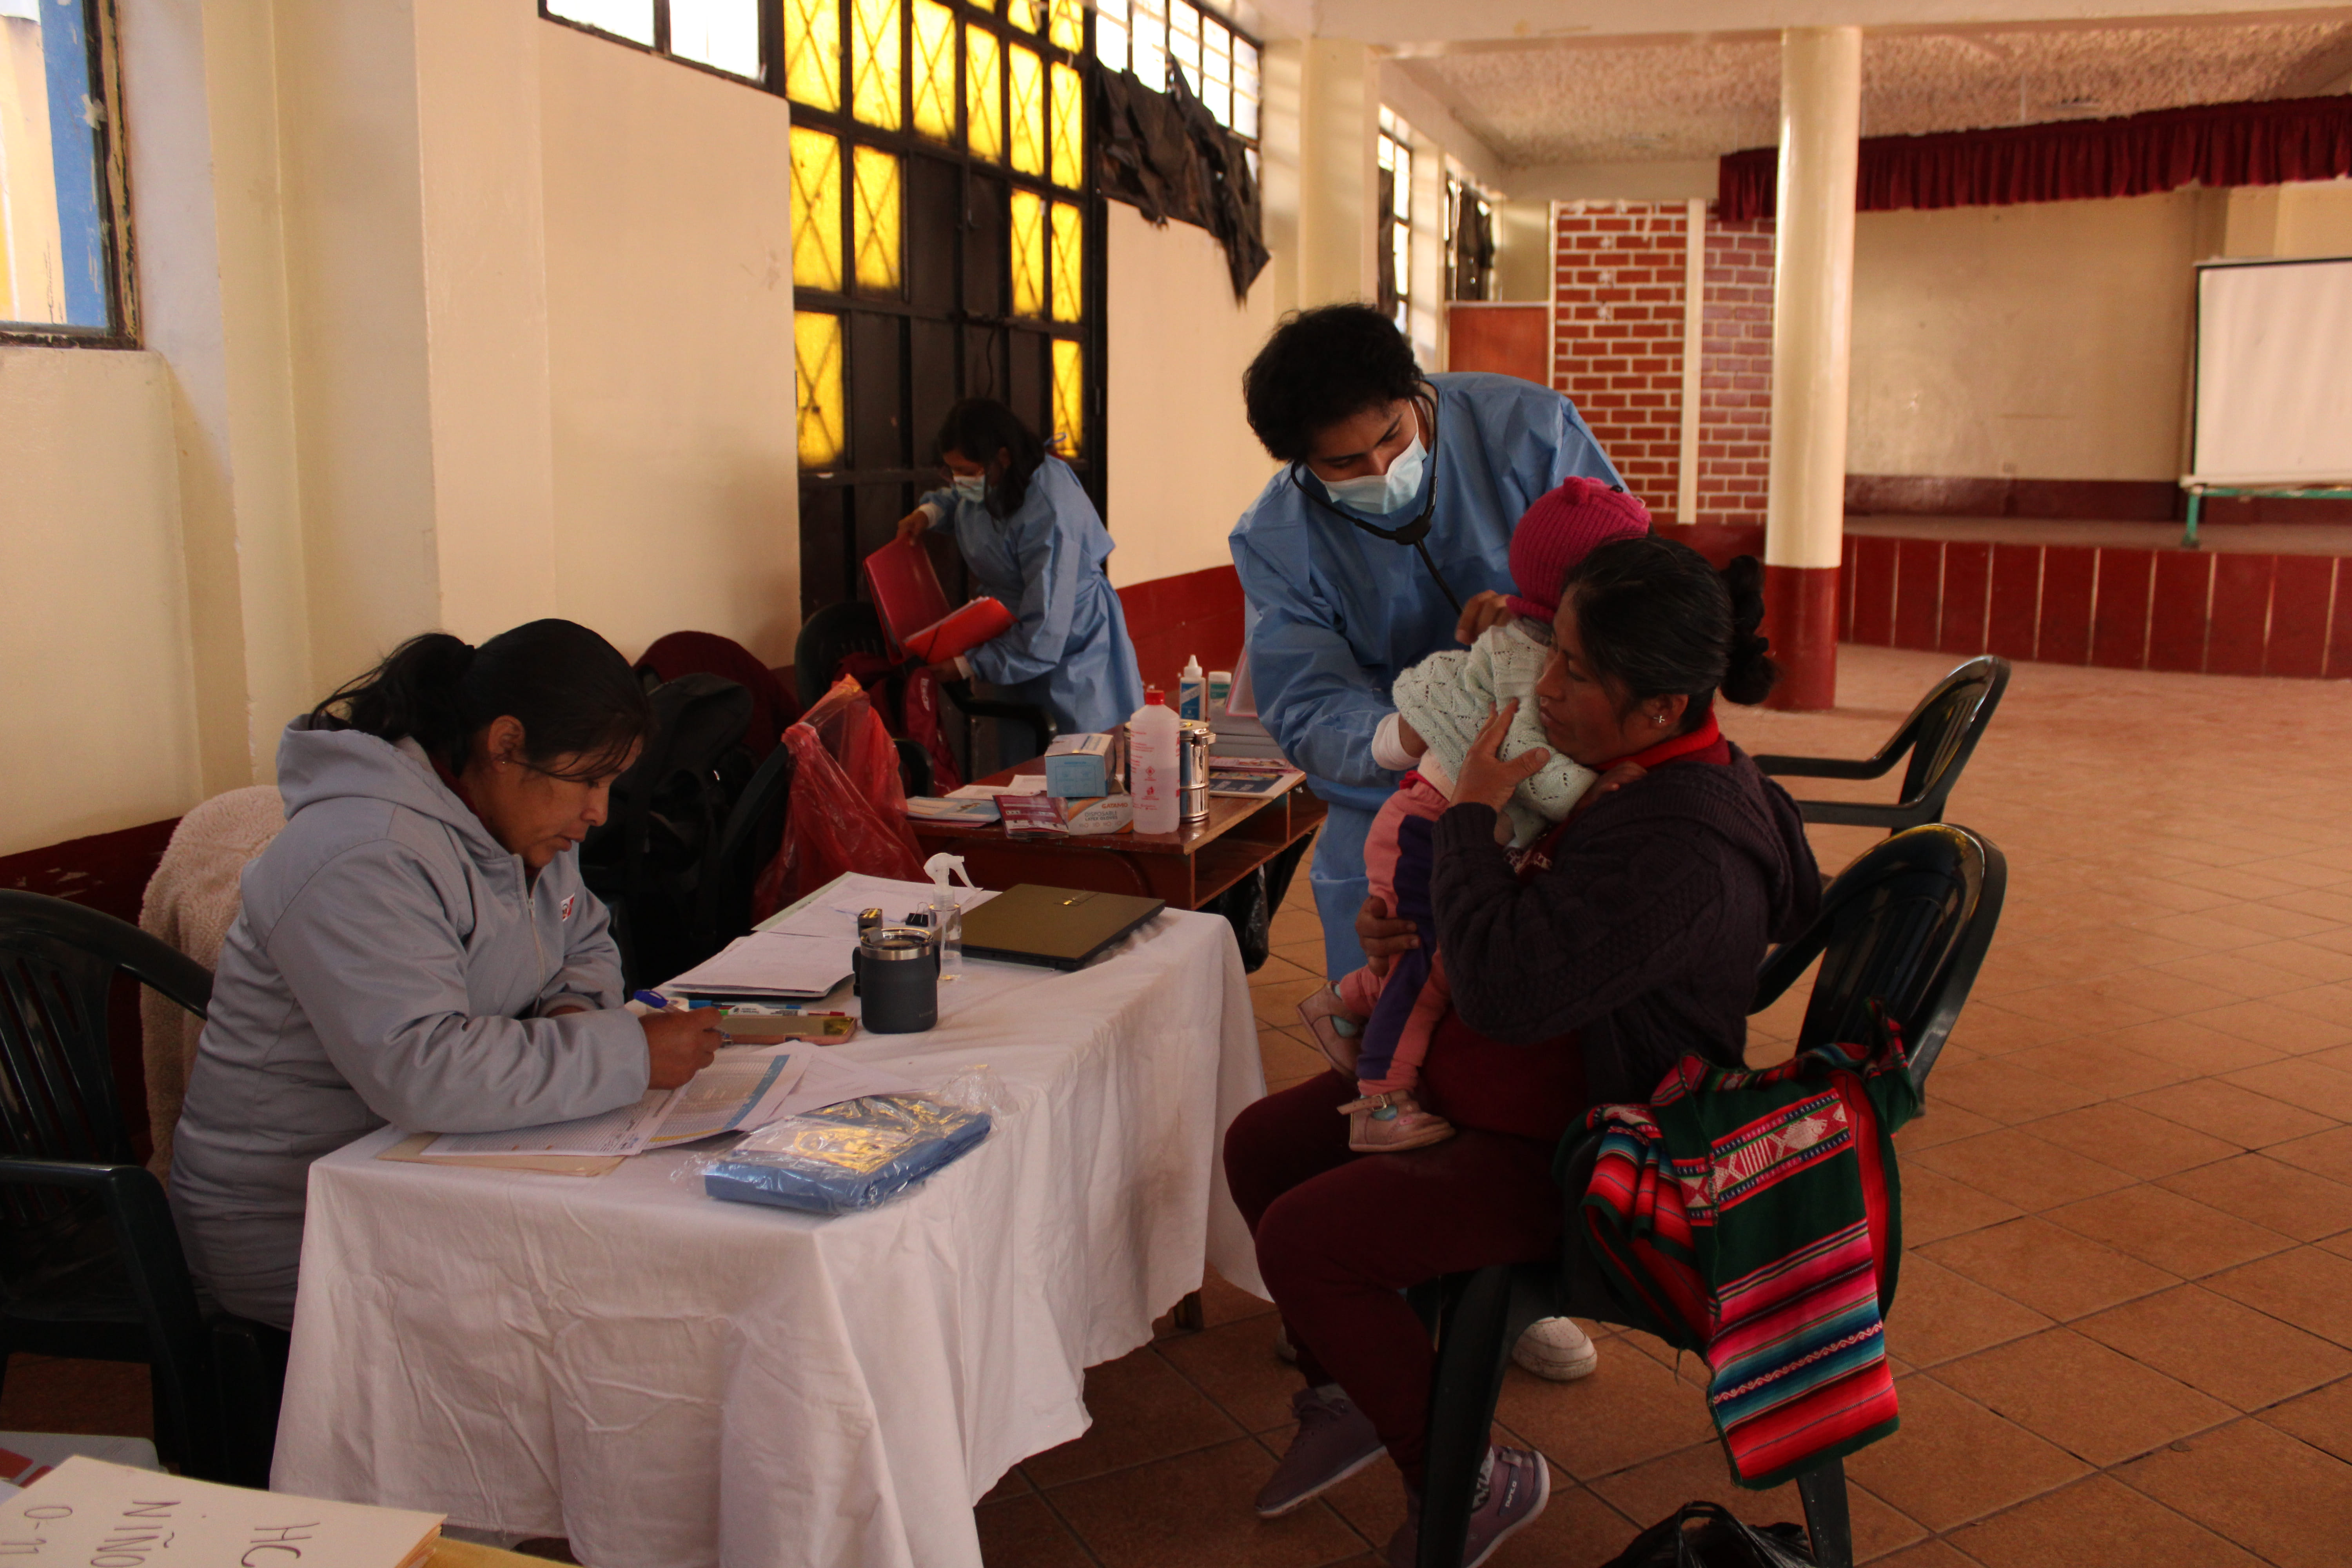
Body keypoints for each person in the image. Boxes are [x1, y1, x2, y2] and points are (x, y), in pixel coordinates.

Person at [1223, 538, 1822, 1568]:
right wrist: (1419, 925)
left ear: (1664, 709)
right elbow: (1521, 937)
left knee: (1309, 1241)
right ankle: (1361, 1391)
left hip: (1586, 1144)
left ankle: (1463, 1481)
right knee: (1264, 1148)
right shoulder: (1626, 773)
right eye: (1553, 651)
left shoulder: (1682, 842)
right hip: (1505, 1083)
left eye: (1576, 671)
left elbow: (1507, 992)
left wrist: (1465, 823)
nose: (1543, 685)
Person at [169, 621, 725, 1330]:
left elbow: (581, 936)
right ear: (504, 745)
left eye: (611, 783)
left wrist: (572, 1018)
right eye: (588, 779)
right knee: (579, 1311)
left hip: (435, 1168)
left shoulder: (522, 820)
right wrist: (627, 1053)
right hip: (296, 1214)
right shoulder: (363, 852)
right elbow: (420, 1068)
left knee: (633, 1272)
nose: (598, 812)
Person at [1229, 303, 1622, 984]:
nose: (1381, 467)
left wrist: (1542, 615)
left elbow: (1631, 582)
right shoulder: (1278, 538)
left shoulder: (1530, 432)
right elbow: (1307, 698)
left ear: (1415, 393)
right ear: (1300, 463)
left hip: (1562, 756)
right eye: (1344, 462)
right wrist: (1412, 735)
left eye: (1393, 436)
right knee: (1383, 990)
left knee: (1558, 975)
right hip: (1389, 794)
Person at [1295, 479, 1653, 1156]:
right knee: (1428, 969)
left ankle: (1348, 1002)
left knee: (1425, 959)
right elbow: (1525, 761)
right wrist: (1589, 795)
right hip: (1434, 822)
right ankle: (1381, 1096)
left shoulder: (1523, 636)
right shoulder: (1531, 654)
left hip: (1436, 821)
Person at [895, 398, 1144, 742]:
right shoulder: (990, 481)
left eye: (967, 471)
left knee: (1081, 757)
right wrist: (929, 513)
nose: (959, 481)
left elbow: (1046, 625)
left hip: (1070, 641)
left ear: (1004, 457)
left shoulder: (1050, 508)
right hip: (1014, 635)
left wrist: (970, 665)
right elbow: (966, 502)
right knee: (1027, 763)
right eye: (952, 471)